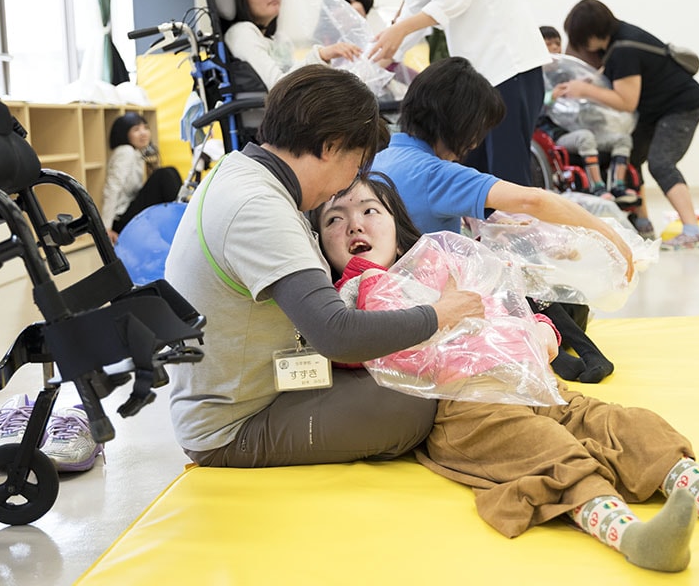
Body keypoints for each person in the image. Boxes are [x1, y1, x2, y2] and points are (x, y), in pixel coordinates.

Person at [314, 174, 699, 573]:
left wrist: (544, 329)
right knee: (548, 452)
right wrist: (426, 309)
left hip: (537, 383)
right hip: (466, 408)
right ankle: (634, 537)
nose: (355, 224)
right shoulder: (353, 292)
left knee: (632, 426)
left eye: (369, 210)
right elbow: (351, 345)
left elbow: (507, 301)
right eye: (335, 220)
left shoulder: (440, 256)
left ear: (394, 218)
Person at [162, 65, 484, 468]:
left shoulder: (241, 173)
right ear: (331, 146)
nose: (347, 185)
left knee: (409, 371)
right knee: (413, 402)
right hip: (231, 426)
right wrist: (440, 315)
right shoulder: (259, 208)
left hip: (258, 386)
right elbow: (337, 334)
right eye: (356, 166)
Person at [372, 56, 634, 383]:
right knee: (548, 294)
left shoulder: (381, 158)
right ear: (459, 123)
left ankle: (546, 341)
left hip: (388, 303)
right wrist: (610, 234)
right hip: (436, 309)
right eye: (477, 131)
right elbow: (532, 199)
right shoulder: (435, 173)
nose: (475, 143)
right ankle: (556, 347)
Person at [371, 0, 551, 188]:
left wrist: (400, 30)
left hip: (509, 66)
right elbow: (415, 8)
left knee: (507, 174)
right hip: (478, 80)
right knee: (474, 173)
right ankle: (488, 227)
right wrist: (369, 65)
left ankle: (516, 227)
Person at [555, 0, 699, 250]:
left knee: (661, 163)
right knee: (630, 159)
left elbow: (626, 101)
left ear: (591, 35)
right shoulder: (617, 40)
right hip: (654, 109)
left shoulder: (624, 48)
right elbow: (611, 81)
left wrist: (584, 89)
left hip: (680, 106)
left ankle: (693, 230)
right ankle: (643, 223)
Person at [218, 0, 362, 92]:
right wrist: (322, 54)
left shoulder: (274, 39)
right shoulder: (242, 33)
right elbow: (279, 85)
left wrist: (324, 56)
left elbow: (292, 75)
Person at [538, 25, 637, 204]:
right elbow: (532, 107)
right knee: (586, 137)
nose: (554, 48)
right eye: (548, 44)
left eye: (557, 43)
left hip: (584, 127)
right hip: (557, 137)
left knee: (623, 139)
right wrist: (551, 97)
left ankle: (618, 185)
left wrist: (588, 87)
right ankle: (596, 186)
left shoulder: (569, 72)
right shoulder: (534, 78)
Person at [102, 112, 181, 244]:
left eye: (145, 128)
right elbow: (112, 188)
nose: (143, 133)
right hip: (121, 221)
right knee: (163, 175)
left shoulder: (137, 154)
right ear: (124, 134)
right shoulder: (125, 152)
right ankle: (184, 219)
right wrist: (105, 228)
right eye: (136, 129)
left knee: (170, 171)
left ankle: (182, 215)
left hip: (129, 214)